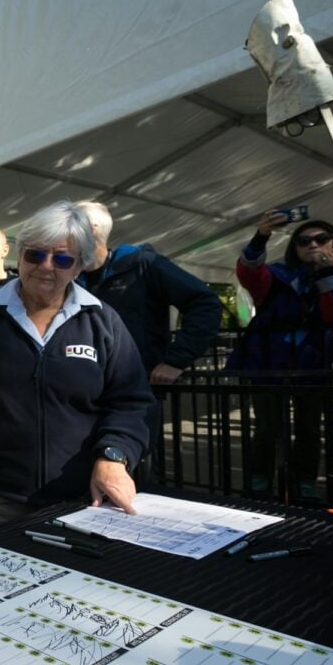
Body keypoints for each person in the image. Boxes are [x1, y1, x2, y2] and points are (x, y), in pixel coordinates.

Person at [0, 201, 154, 529]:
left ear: (79, 267)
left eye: (62, 259)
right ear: (20, 254)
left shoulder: (102, 322)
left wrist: (113, 455)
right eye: (35, 254)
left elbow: (132, 402)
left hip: (82, 499)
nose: (46, 266)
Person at [75, 201, 222, 481]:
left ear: (91, 229)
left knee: (131, 473)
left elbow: (205, 302)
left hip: (135, 394)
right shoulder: (69, 273)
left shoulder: (143, 264)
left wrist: (177, 359)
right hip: (84, 394)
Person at [226, 212, 333, 500]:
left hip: (314, 367)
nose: (312, 244)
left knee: (310, 429)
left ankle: (305, 485)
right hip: (268, 365)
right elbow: (249, 273)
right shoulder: (277, 275)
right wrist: (261, 235)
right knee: (266, 428)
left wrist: (329, 274)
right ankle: (260, 483)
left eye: (321, 238)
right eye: (303, 240)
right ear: (294, 248)